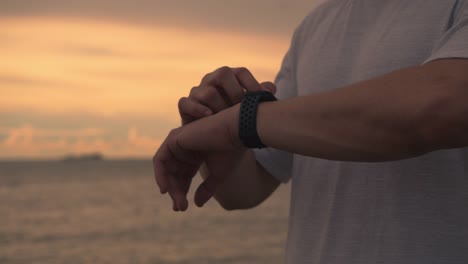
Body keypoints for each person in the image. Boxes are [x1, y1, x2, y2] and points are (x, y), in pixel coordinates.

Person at [153, 0, 468, 263]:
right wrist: (223, 143)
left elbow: (442, 105)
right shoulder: (314, 26)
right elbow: (245, 191)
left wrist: (241, 122)